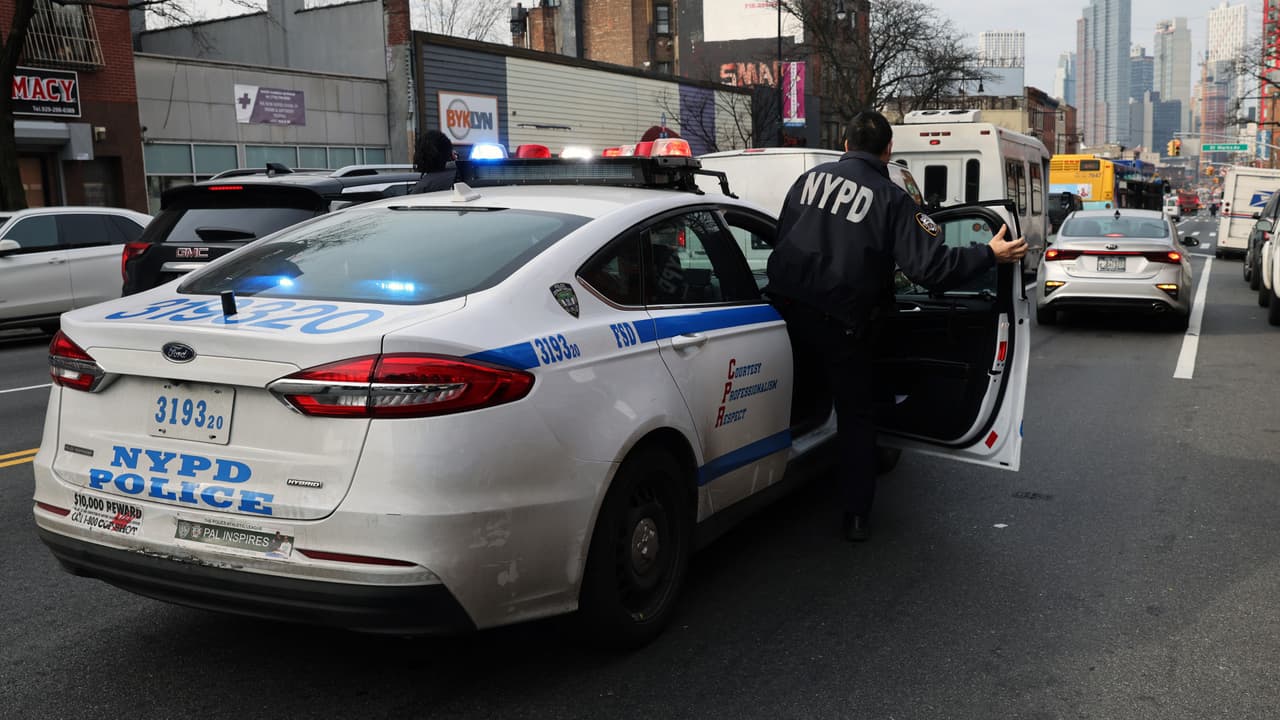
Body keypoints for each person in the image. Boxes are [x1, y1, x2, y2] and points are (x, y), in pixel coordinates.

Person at [765, 110, 1027, 543]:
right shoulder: (891, 198)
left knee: (790, 399)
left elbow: (783, 239)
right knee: (856, 418)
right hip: (843, 326)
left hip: (783, 317)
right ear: (888, 151)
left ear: (845, 144)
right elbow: (930, 269)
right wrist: (988, 254)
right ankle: (855, 517)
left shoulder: (806, 182)